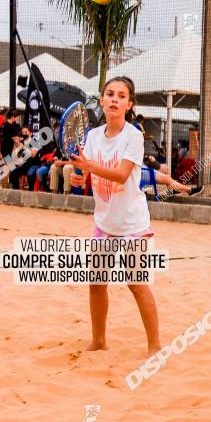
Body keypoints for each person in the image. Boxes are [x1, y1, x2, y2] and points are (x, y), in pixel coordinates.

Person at [57, 76, 161, 356]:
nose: (115, 99)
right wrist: (79, 177)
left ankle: (154, 347)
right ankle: (99, 341)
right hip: (104, 223)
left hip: (132, 224)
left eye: (121, 95)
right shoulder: (92, 136)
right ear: (101, 100)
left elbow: (122, 174)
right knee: (96, 282)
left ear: (129, 104)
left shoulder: (134, 136)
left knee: (137, 284)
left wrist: (88, 166)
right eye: (110, 94)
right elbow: (85, 173)